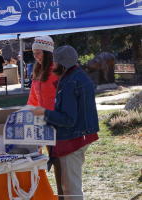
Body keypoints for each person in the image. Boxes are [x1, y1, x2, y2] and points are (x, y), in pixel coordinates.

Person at [33, 45, 99, 200]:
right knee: (70, 185)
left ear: (62, 64)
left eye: (55, 62)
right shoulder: (76, 76)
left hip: (73, 139)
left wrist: (44, 113)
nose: (53, 65)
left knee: (71, 189)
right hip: (78, 136)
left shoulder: (70, 82)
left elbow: (68, 119)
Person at [27, 35, 59, 111]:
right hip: (43, 117)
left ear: (47, 53)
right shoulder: (38, 71)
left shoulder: (57, 70)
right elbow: (33, 97)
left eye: (38, 53)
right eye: (33, 53)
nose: (35, 56)